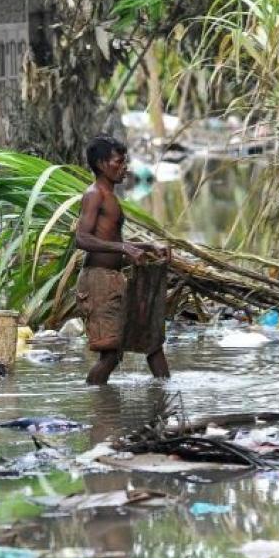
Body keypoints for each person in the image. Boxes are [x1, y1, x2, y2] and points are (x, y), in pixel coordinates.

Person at [75, 135, 171, 385]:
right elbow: (82, 239)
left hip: (113, 280)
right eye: (119, 161)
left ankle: (166, 397)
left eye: (124, 161)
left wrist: (147, 245)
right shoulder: (94, 194)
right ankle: (96, 404)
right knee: (111, 355)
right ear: (101, 164)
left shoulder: (110, 196)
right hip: (98, 281)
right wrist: (124, 248)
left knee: (151, 343)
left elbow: (112, 239)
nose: (124, 167)